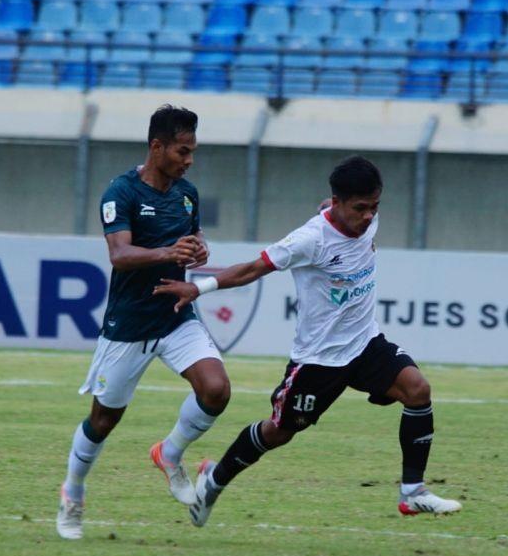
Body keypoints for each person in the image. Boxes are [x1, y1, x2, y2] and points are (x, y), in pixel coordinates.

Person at [153, 155, 461, 528]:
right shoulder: (309, 240)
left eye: (374, 207)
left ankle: (412, 492)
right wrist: (198, 287)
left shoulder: (366, 221)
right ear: (337, 203)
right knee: (278, 432)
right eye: (360, 208)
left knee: (418, 390)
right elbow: (253, 268)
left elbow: (355, 226)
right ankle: (214, 481)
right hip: (318, 360)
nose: (368, 216)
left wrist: (357, 222)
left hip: (365, 343)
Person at [56, 105, 231, 540]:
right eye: (182, 151)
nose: (189, 160)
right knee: (103, 420)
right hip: (128, 326)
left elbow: (192, 239)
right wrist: (169, 253)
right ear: (157, 147)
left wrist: (198, 249)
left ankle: (170, 453)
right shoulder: (122, 193)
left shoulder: (186, 193)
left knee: (216, 389)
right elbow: (120, 255)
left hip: (175, 317)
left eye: (192, 151)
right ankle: (73, 492)